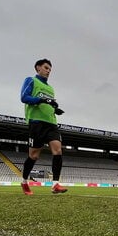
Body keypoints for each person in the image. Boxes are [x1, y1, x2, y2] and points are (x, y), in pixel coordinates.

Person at [19, 58, 67, 195]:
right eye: (46, 68)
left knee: (57, 150)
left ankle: (55, 184)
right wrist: (41, 100)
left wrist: (55, 108)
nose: (48, 71)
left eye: (50, 69)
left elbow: (48, 103)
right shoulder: (31, 80)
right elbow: (24, 97)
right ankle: (24, 182)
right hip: (36, 122)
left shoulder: (51, 89)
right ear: (38, 68)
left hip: (51, 123)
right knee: (33, 155)